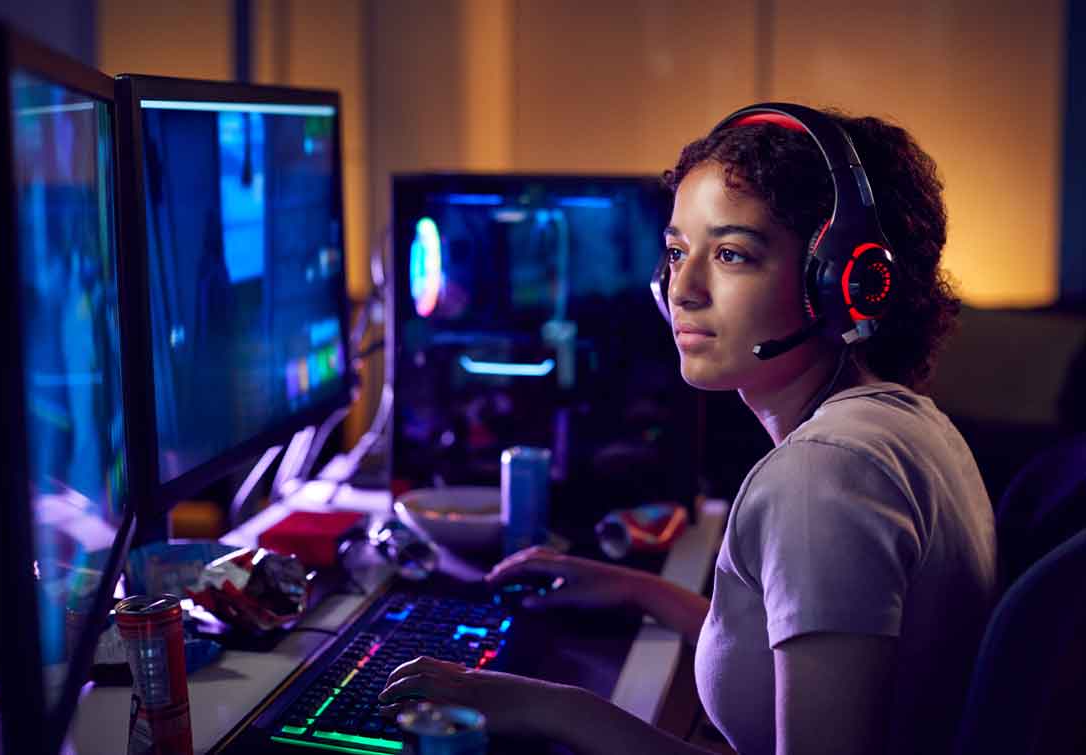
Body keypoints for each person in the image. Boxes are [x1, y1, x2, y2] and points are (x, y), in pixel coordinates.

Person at [378, 105, 997, 755]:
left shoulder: (821, 475)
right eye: (676, 252)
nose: (683, 289)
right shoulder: (909, 426)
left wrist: (553, 708)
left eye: (732, 253)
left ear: (844, 282)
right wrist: (635, 587)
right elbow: (799, 645)